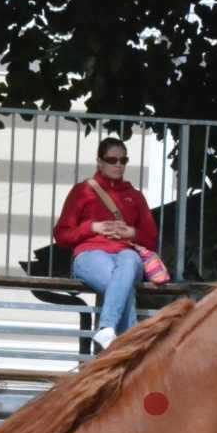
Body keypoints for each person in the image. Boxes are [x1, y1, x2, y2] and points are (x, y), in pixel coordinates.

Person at [53, 137, 158, 352]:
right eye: (112, 160)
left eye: (123, 160)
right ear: (100, 162)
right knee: (123, 287)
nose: (118, 165)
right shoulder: (82, 191)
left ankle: (107, 328)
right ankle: (132, 351)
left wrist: (132, 232)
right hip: (91, 254)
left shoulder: (135, 196)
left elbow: (151, 239)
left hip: (126, 254)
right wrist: (92, 228)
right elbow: (62, 235)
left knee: (128, 261)